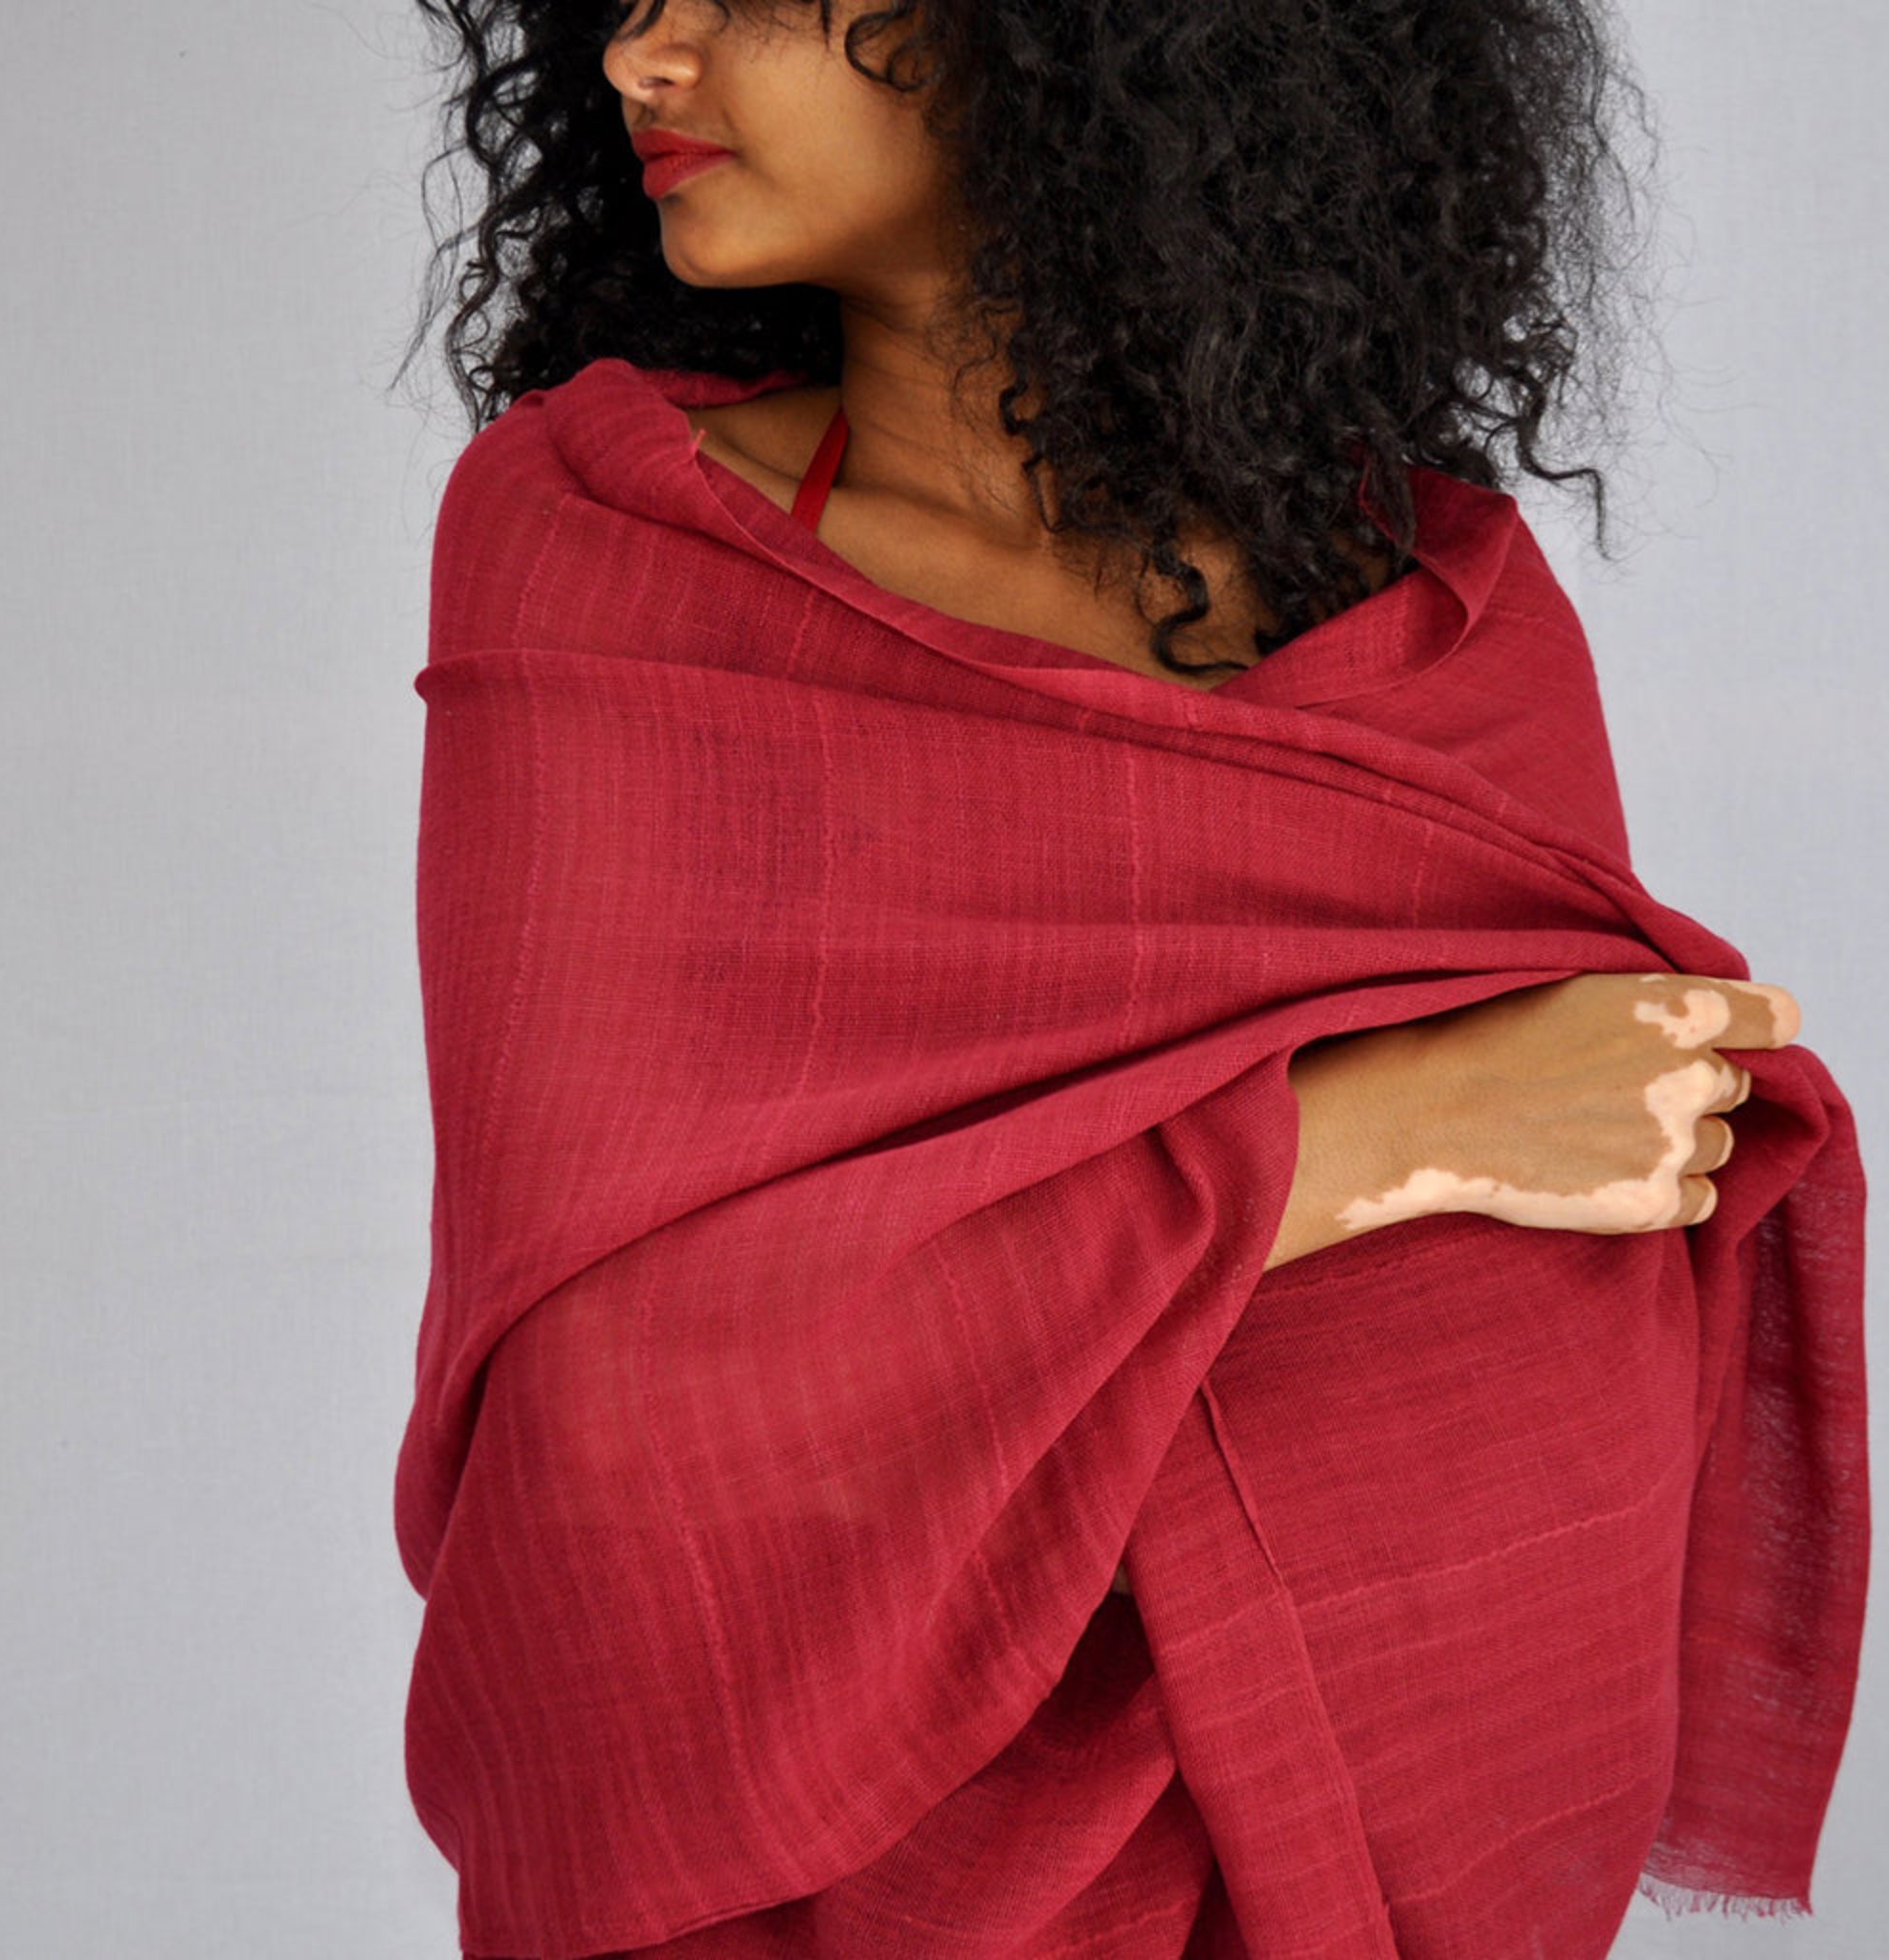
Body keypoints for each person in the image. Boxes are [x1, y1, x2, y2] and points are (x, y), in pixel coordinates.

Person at [391, 4, 1867, 1955]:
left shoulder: (1438, 619)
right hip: (838, 1876)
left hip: (1417, 1835)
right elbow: (613, 1430)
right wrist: (1355, 1146)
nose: (640, 58)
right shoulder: (611, 563)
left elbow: (1594, 1232)